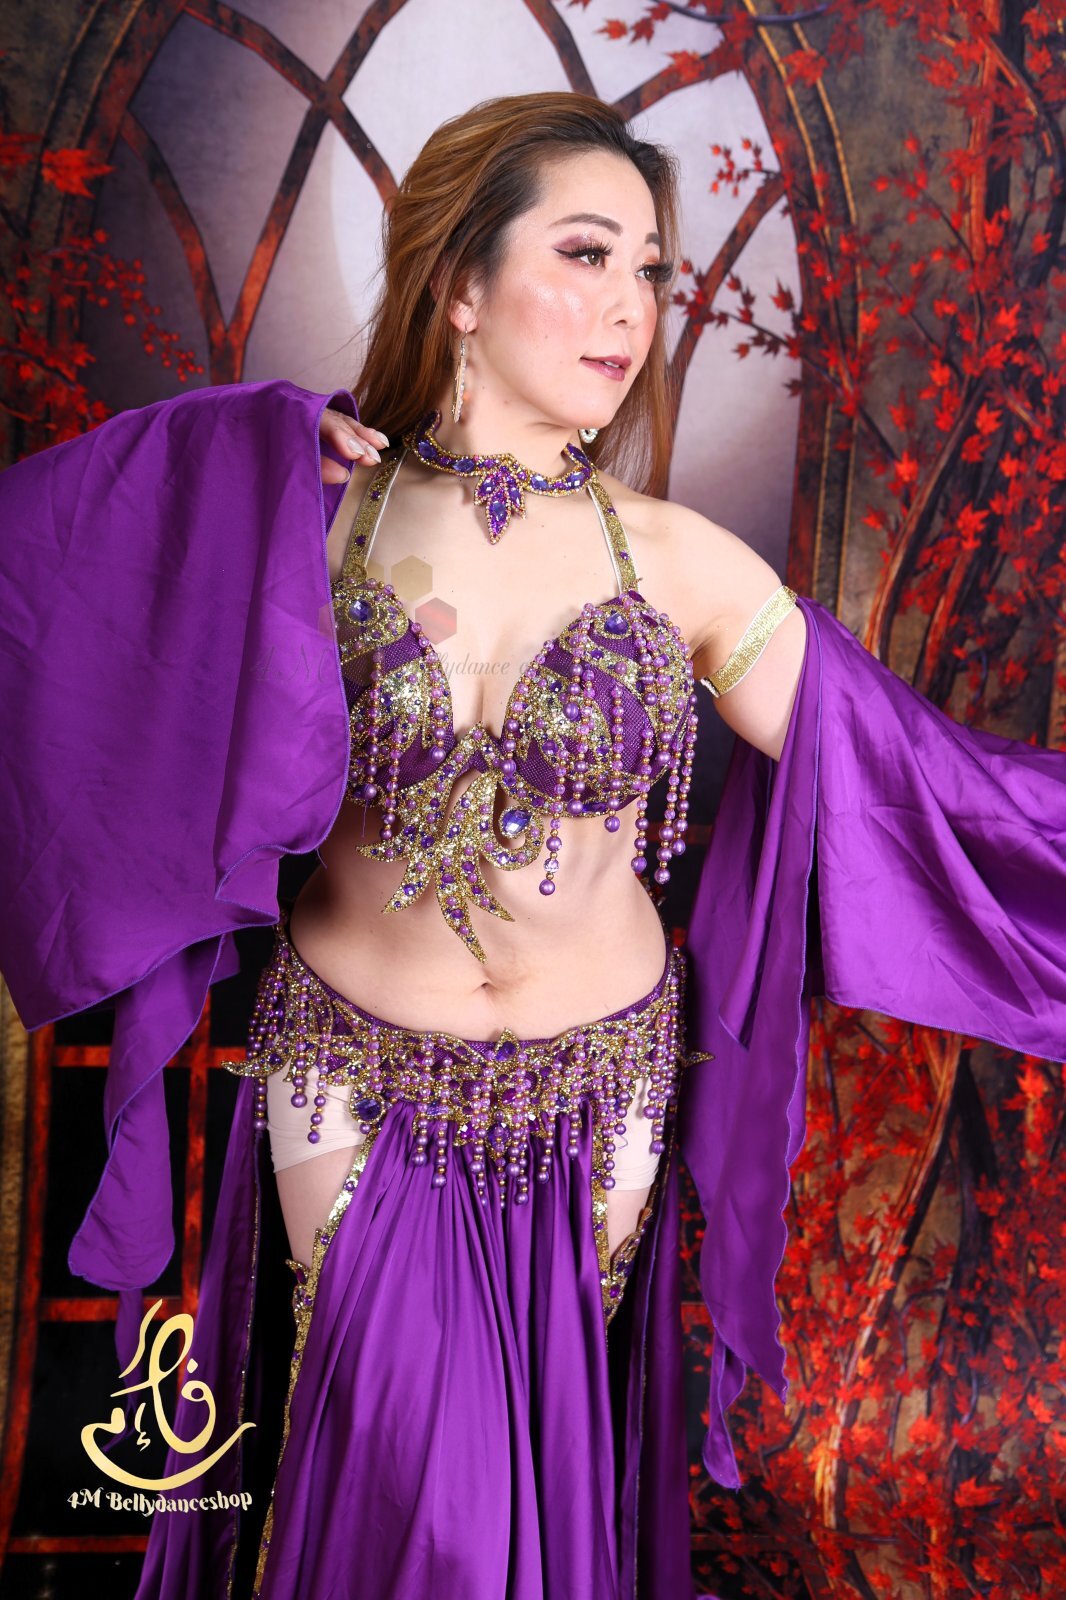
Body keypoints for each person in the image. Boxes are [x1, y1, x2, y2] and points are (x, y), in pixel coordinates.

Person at [0, 92, 1063, 1600]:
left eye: (649, 269)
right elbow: (49, 572)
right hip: (353, 1067)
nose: (630, 305)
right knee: (415, 1487)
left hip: (599, 1089)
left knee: (537, 1481)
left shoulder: (679, 561)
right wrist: (227, 449)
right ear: (459, 283)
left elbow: (914, 781)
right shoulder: (308, 517)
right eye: (584, 253)